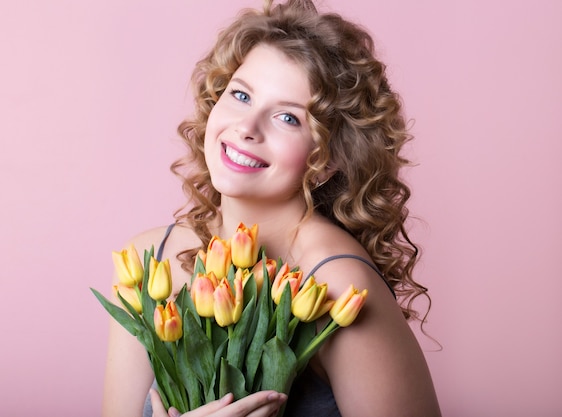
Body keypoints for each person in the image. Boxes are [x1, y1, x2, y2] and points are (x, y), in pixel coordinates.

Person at [102, 0, 442, 416]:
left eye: (288, 118)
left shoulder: (335, 284)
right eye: (241, 95)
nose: (247, 128)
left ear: (329, 159)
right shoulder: (148, 261)